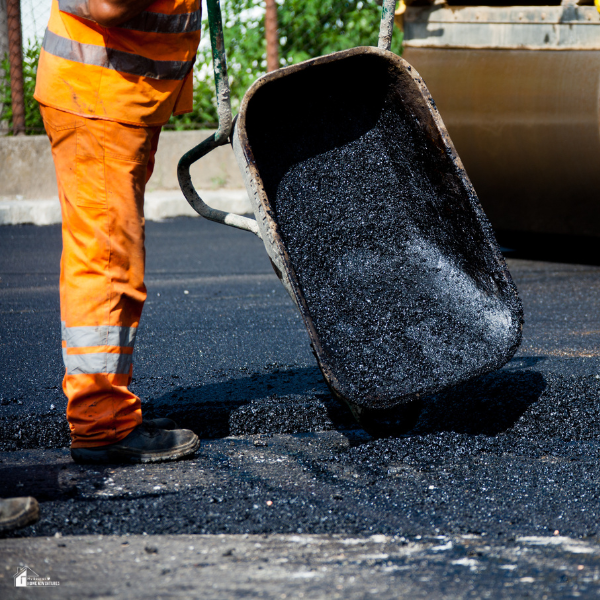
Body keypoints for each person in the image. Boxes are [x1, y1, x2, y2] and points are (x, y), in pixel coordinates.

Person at [34, 0, 202, 463]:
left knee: (104, 256)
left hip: (115, 96)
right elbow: (109, 6)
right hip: (101, 97)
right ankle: (102, 423)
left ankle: (106, 410)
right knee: (108, 265)